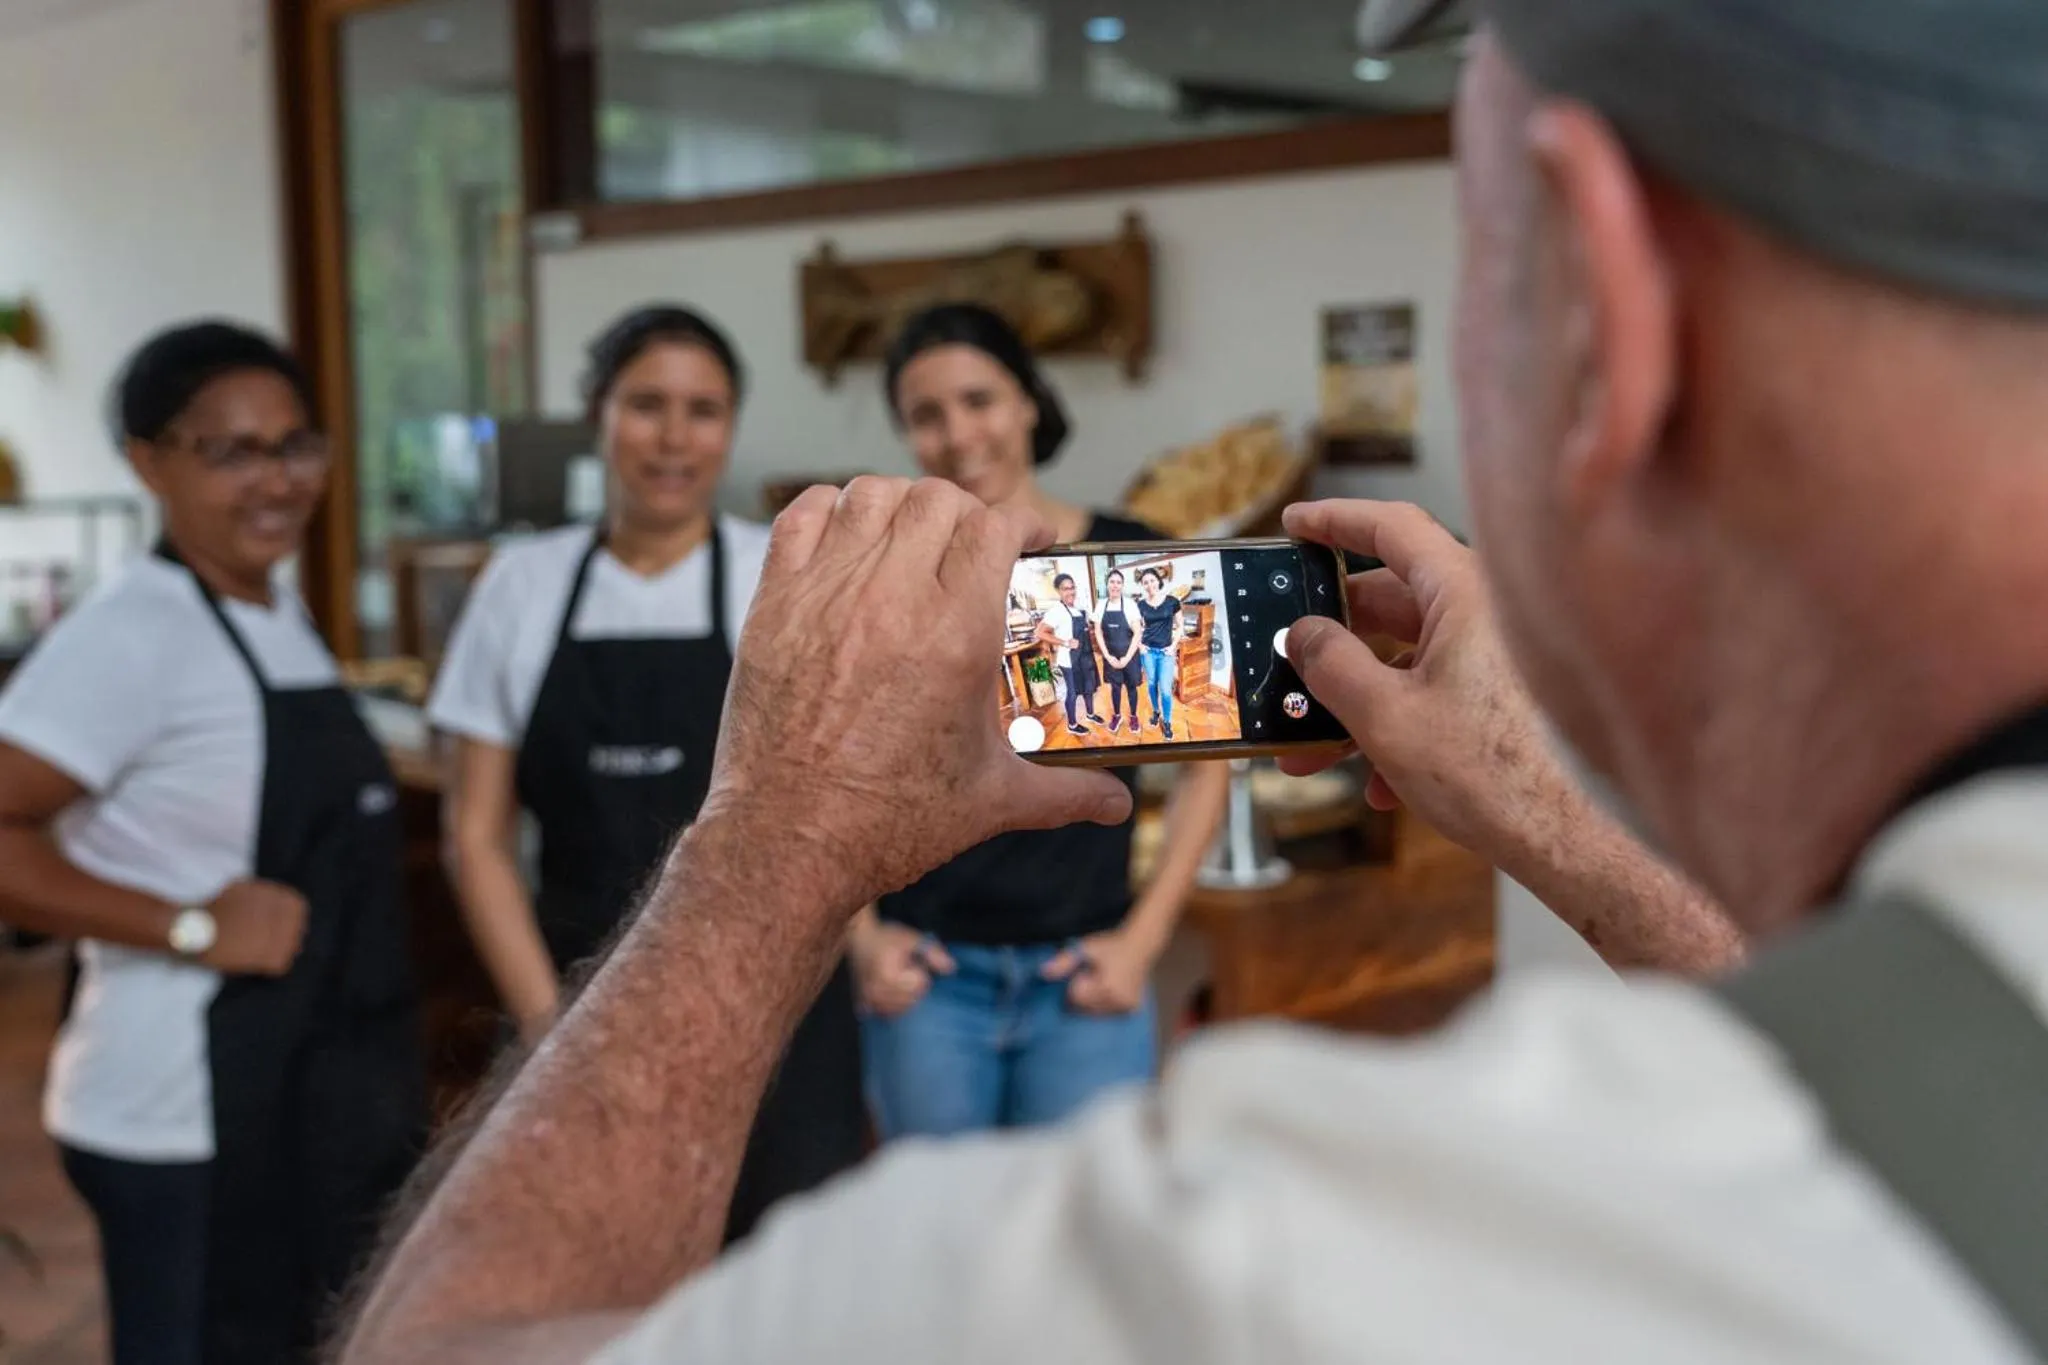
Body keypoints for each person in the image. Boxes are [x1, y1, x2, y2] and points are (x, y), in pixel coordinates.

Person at [339, 0, 2048, 1356]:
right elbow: (1877, 1080)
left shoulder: (1259, 1264)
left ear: (1607, 321)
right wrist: (1560, 827)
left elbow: (451, 1346)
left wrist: (762, 842)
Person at [0, 321, 425, 1365]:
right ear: (149, 462)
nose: (274, 480)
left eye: (294, 446)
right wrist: (185, 923)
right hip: (174, 1115)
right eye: (231, 451)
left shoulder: (274, 609)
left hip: (294, 1097)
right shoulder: (130, 632)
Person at [425, 304, 863, 1242]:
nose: (674, 437)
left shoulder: (782, 572)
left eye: (702, 410)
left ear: (731, 427)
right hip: (581, 992)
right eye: (646, 405)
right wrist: (552, 1032)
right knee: (596, 1274)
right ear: (598, 413)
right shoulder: (521, 582)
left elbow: (841, 802)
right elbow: (476, 835)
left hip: (776, 1009)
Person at [847, 302, 1228, 1139]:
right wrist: (864, 939)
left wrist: (1143, 940)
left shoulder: (1130, 557)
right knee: (942, 1247)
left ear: (1028, 402)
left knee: (1078, 1245)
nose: (958, 432)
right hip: (929, 985)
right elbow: (834, 764)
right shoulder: (896, 578)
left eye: (979, 399)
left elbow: (1211, 763)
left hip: (1081, 980)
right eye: (926, 414)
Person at [1035, 572, 1100, 736]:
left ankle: (1090, 714)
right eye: (1065, 589)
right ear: (1059, 591)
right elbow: (1040, 632)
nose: (1070, 592)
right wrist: (1065, 642)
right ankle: (1072, 724)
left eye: (1072, 588)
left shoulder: (1078, 610)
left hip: (1085, 656)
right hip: (1069, 660)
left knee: (1088, 687)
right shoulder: (1056, 611)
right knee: (1072, 692)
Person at [1132, 566, 1183, 739]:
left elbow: (1180, 626)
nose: (1149, 585)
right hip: (1148, 652)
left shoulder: (1172, 601)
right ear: (1143, 585)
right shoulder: (1140, 605)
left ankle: (1167, 721)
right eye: (1145, 582)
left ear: (1158, 581)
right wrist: (1139, 644)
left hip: (1166, 653)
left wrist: (1174, 645)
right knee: (1152, 684)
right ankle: (1156, 712)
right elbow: (1136, 628)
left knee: (1166, 690)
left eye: (1152, 580)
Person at [1091, 568, 1144, 733]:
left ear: (1122, 585)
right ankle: (1117, 715)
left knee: (1131, 687)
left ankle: (1134, 716)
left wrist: (1127, 658)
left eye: (1118, 582)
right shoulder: (1101, 605)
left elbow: (1138, 632)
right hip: (1111, 656)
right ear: (1107, 584)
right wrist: (1107, 656)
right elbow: (1098, 631)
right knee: (1115, 687)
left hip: (1130, 656)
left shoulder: (1130, 604)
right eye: (1112, 582)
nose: (1115, 585)